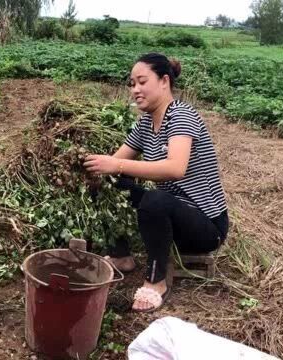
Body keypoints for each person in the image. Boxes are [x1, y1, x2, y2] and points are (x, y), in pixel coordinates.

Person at [84, 53, 229, 312]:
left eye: (142, 82)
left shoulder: (182, 117)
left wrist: (115, 165)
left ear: (164, 81)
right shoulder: (146, 123)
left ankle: (156, 281)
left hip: (205, 225)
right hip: (172, 215)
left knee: (154, 200)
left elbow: (175, 168)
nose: (135, 90)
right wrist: (91, 168)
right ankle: (121, 256)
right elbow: (116, 162)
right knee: (106, 184)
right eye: (131, 84)